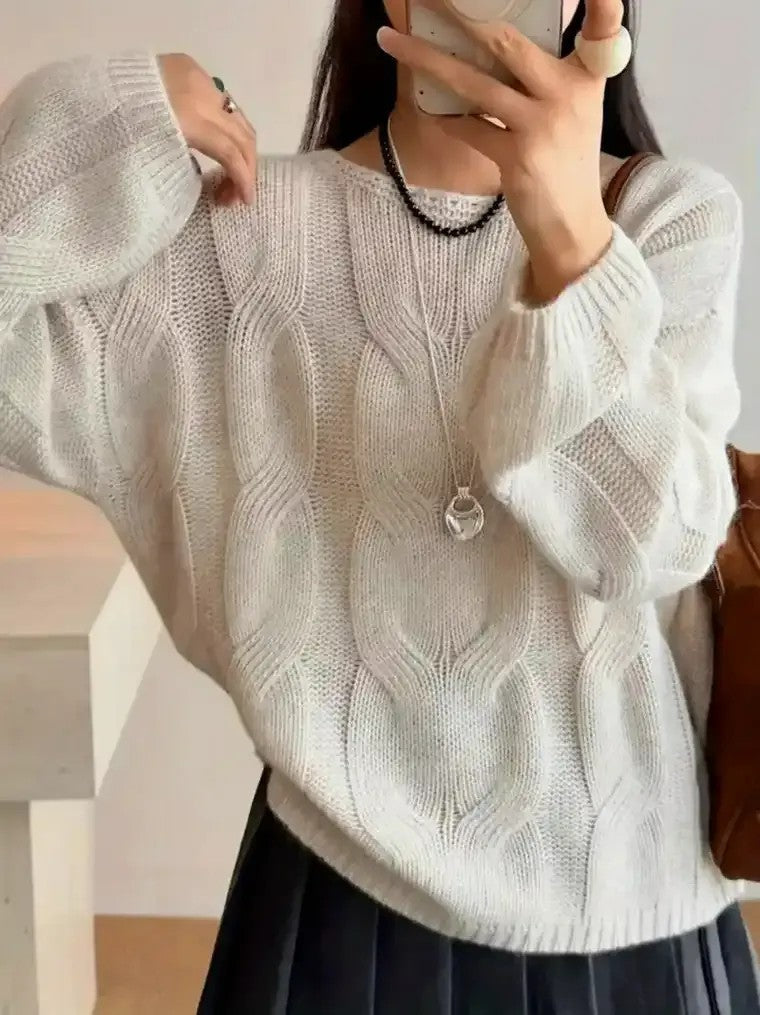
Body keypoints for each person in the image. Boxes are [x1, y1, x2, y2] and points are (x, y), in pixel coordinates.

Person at [0, 0, 755, 1010]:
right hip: (338, 905)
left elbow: (652, 543)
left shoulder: (669, 220)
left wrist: (573, 240)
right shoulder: (238, 243)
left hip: (634, 912)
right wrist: (100, 124)